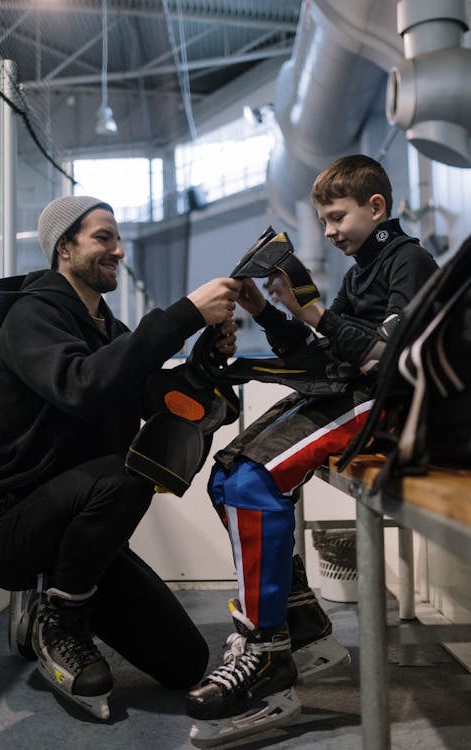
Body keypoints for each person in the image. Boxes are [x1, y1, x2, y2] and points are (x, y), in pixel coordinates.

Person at [185, 154, 439, 747]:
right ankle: (297, 618)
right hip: (351, 394)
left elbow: (390, 358)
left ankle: (266, 653)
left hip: (389, 406)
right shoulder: (359, 274)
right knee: (226, 477)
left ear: (376, 208)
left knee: (251, 483)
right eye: (323, 220)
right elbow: (322, 350)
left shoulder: (410, 261)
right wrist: (263, 311)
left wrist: (316, 312)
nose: (327, 231)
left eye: (335, 217)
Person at [0, 195, 242, 720]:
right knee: (129, 474)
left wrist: (207, 358)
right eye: (103, 238)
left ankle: (60, 600)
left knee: (186, 662)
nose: (118, 250)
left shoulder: (110, 333)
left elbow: (154, 396)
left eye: (118, 240)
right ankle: (60, 620)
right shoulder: (31, 317)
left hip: (83, 536)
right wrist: (184, 313)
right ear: (64, 246)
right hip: (12, 529)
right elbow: (82, 387)